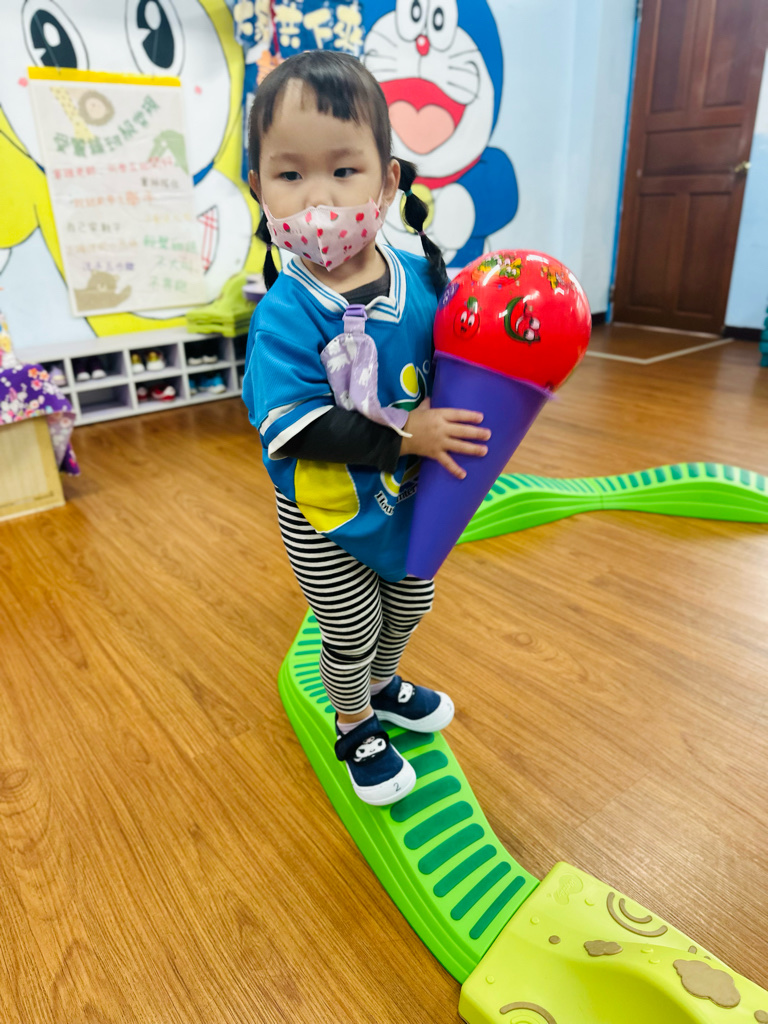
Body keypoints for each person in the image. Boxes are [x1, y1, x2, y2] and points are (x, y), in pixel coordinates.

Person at [242, 50, 490, 806]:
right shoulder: (285, 315)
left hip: (406, 492)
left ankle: (383, 685)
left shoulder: (421, 280)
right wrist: (407, 437)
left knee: (411, 601)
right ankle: (354, 719)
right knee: (349, 624)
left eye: (344, 170)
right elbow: (299, 429)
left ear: (387, 181)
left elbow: (460, 361)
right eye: (291, 174)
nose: (318, 197)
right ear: (259, 188)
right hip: (325, 509)